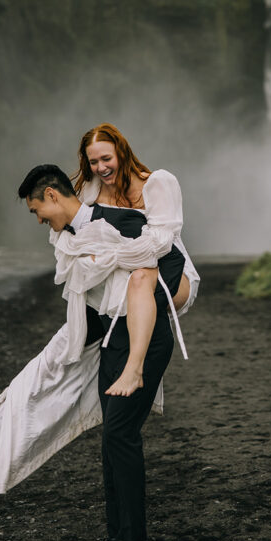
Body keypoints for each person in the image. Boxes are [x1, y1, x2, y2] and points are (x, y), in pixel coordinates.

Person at [0, 160, 195, 541]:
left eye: (37, 211)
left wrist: (144, 305)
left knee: (120, 436)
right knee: (114, 439)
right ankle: (120, 539)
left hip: (141, 338)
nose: (39, 220)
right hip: (109, 342)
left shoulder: (119, 219)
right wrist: (0, 413)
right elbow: (80, 324)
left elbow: (171, 262)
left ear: (52, 195)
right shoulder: (70, 241)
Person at [73, 123, 199, 398]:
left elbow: (160, 246)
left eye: (106, 158)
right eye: (93, 161)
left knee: (141, 276)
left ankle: (134, 370)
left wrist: (107, 257)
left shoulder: (157, 183)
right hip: (126, 274)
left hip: (171, 273)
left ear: (121, 151)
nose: (101, 167)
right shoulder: (91, 191)